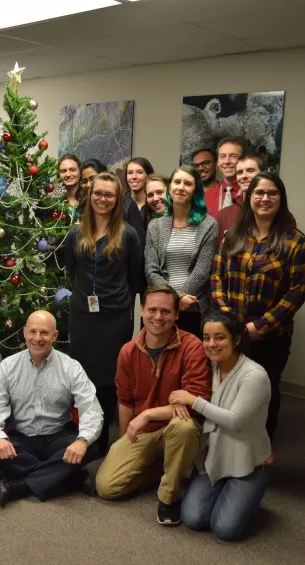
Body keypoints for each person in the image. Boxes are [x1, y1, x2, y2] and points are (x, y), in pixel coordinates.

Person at [94, 284, 212, 526]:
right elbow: (125, 401)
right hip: (145, 432)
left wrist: (147, 414)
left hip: (177, 428)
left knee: (184, 427)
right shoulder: (128, 351)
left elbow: (196, 402)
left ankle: (170, 496)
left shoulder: (192, 348)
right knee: (106, 487)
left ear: (177, 314)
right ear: (142, 311)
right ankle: (167, 467)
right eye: (153, 310)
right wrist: (124, 440)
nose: (159, 317)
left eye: (166, 311)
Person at [212, 172, 305, 447]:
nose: (265, 199)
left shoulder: (296, 242)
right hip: (231, 334)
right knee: (228, 392)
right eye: (259, 193)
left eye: (272, 193)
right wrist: (229, 322)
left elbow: (296, 293)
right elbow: (217, 278)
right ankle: (227, 449)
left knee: (263, 395)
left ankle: (259, 453)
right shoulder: (232, 237)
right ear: (249, 198)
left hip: (270, 337)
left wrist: (259, 327)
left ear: (281, 199)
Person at [0, 310, 104, 507]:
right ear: (24, 333)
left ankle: (21, 485)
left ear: (55, 336)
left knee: (90, 446)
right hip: (21, 438)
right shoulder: (7, 367)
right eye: (32, 332)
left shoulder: (71, 367)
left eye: (44, 333)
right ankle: (68, 478)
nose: (37, 338)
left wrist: (82, 440)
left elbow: (92, 409)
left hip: (57, 437)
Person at [173, 310, 271, 541]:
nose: (211, 344)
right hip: (213, 459)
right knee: (194, 519)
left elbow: (234, 420)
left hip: (248, 463)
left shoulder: (254, 375)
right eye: (206, 338)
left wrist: (192, 400)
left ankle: (251, 490)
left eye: (220, 337)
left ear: (236, 339)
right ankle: (224, 491)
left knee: (225, 529)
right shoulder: (210, 368)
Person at [65, 171, 144, 455]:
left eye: (109, 195)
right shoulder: (76, 233)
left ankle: (102, 440)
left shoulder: (129, 234)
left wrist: (118, 299)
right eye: (98, 193)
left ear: (117, 199)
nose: (102, 199)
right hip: (83, 316)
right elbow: (71, 270)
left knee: (110, 378)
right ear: (90, 195)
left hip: (115, 317)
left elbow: (135, 276)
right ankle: (86, 432)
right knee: (83, 375)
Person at [145, 165, 218, 337]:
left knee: (191, 361)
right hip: (160, 309)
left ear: (196, 191)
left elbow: (202, 271)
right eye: (177, 182)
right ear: (169, 188)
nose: (181, 187)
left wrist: (180, 300)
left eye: (188, 183)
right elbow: (151, 270)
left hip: (192, 306)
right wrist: (174, 300)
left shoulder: (209, 225)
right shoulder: (155, 225)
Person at [215, 152, 298, 241]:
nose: (244, 176)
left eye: (250, 170)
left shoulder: (281, 215)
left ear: (263, 173)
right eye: (240, 172)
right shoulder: (223, 215)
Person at [80, 158, 146, 246]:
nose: (88, 184)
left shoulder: (127, 205)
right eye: (84, 181)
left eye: (93, 178)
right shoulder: (81, 208)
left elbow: (139, 244)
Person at [205, 138, 246, 217]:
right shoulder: (206, 197)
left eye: (233, 156)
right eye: (222, 156)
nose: (227, 161)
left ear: (243, 160)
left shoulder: (253, 195)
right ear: (218, 162)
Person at [124, 157, 155, 224]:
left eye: (139, 172)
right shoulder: (120, 203)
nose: (134, 177)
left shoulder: (155, 203)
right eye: (130, 172)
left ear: (149, 175)